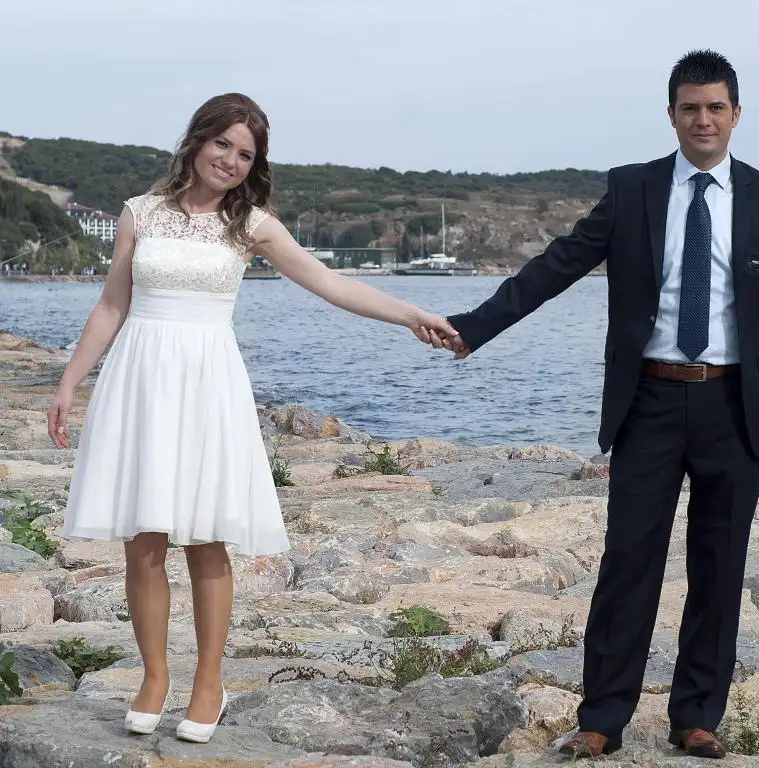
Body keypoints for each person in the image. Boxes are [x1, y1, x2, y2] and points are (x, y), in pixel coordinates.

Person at [426, 50, 759, 759]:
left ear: (736, 114)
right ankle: (603, 720)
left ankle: (696, 718)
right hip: (649, 401)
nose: (703, 120)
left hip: (734, 405)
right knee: (628, 562)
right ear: (671, 115)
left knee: (720, 566)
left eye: (715, 107)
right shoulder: (633, 188)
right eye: (689, 108)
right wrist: (475, 328)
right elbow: (558, 263)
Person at [48, 92, 457, 744]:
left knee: (207, 537)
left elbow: (331, 283)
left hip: (208, 383)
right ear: (197, 140)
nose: (231, 161)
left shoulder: (252, 225)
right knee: (143, 539)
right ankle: (154, 677)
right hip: (140, 378)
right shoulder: (139, 213)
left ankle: (209, 684)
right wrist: (71, 381)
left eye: (245, 154)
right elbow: (111, 306)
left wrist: (411, 315)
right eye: (223, 144)